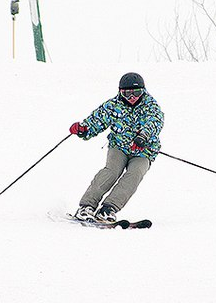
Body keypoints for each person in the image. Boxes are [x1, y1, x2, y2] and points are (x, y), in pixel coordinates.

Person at [70, 72, 164, 223]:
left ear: (143, 91)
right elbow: (97, 120)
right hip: (119, 147)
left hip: (143, 150)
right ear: (120, 92)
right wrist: (84, 129)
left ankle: (109, 208)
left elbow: (154, 122)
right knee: (112, 171)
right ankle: (87, 206)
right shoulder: (113, 105)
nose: (132, 97)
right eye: (127, 93)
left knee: (135, 174)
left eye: (136, 92)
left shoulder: (150, 106)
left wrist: (143, 137)